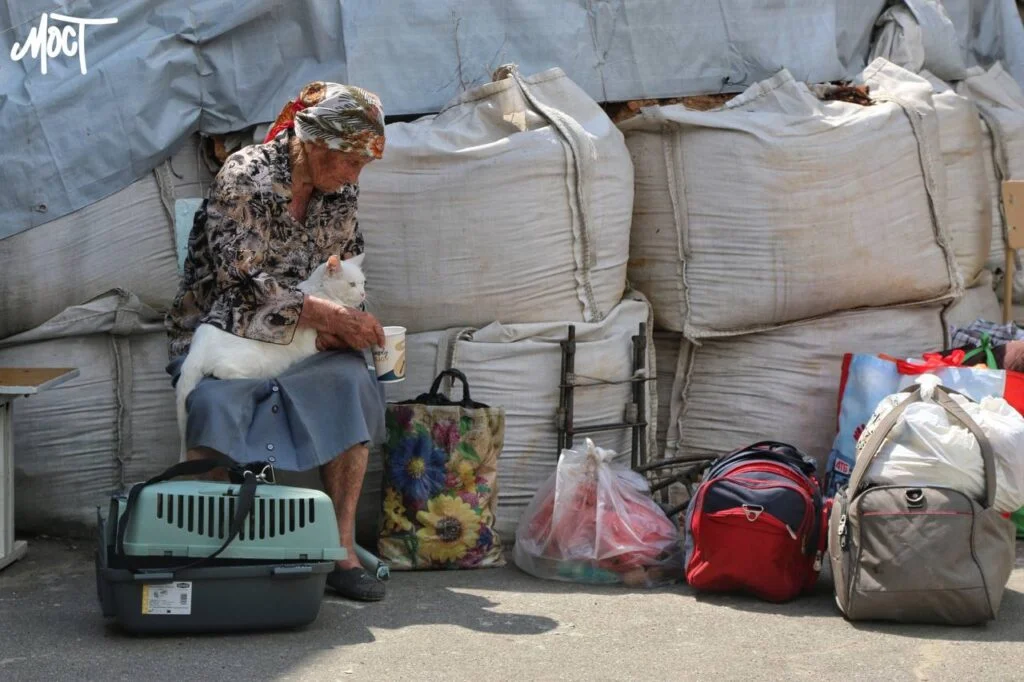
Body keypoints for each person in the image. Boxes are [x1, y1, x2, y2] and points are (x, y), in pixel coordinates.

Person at [166, 82, 389, 601]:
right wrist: (326, 316)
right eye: (350, 161)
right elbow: (238, 282)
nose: (355, 176)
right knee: (214, 401)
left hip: (300, 340)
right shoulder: (246, 174)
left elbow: (343, 269)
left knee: (353, 381)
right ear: (315, 141)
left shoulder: (340, 195)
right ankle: (212, 545)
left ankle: (340, 548)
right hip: (226, 333)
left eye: (362, 165)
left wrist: (340, 326)